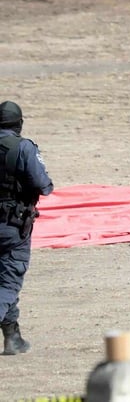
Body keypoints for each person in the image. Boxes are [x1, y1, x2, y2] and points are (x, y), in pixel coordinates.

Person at [0, 100, 53, 355]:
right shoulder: (22, 148)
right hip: (11, 227)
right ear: (18, 124)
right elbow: (44, 185)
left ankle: (13, 338)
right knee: (8, 282)